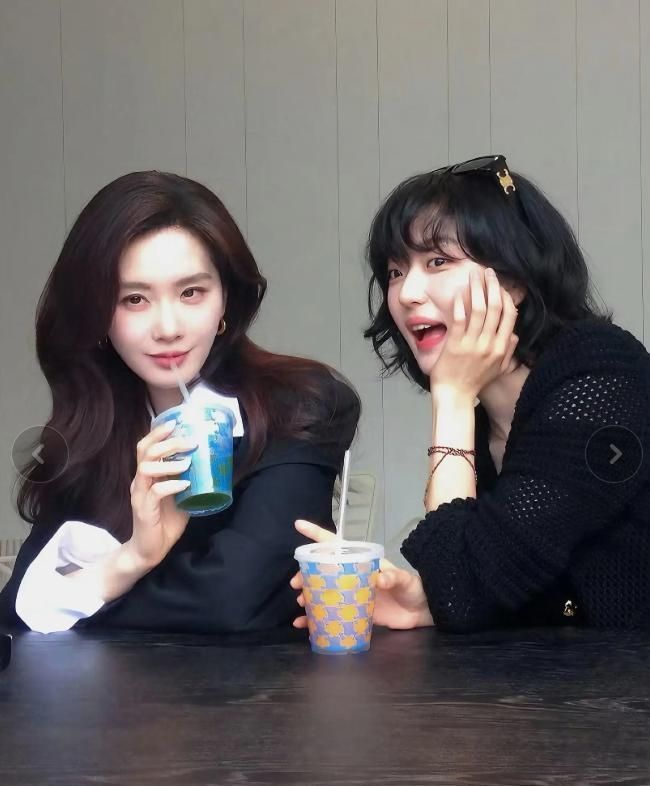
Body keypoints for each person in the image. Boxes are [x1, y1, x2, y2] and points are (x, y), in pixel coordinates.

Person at [292, 154, 650, 632]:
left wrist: (453, 398)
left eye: (437, 261)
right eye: (395, 271)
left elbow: (465, 587)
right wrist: (424, 604)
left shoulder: (600, 370)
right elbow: (501, 579)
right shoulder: (485, 417)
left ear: (514, 280)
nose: (407, 293)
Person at [0, 170, 360, 638]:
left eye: (191, 292)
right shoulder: (92, 433)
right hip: (109, 689)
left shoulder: (300, 404)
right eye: (134, 299)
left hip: (269, 686)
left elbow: (232, 599)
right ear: (98, 315)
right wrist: (134, 558)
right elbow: (16, 607)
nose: (167, 328)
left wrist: (80, 592)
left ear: (226, 298)